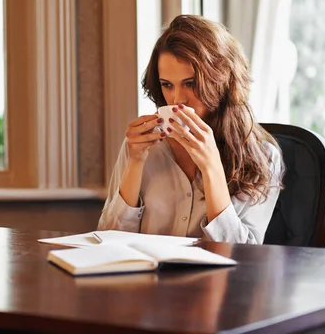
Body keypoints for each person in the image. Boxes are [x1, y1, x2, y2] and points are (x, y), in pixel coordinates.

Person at [98, 14, 285, 244]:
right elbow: (108, 241)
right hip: (149, 279)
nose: (177, 100)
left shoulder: (263, 158)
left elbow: (244, 256)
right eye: (167, 85)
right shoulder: (142, 146)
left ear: (222, 81)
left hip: (217, 281)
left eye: (191, 83)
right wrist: (135, 162)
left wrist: (211, 167)